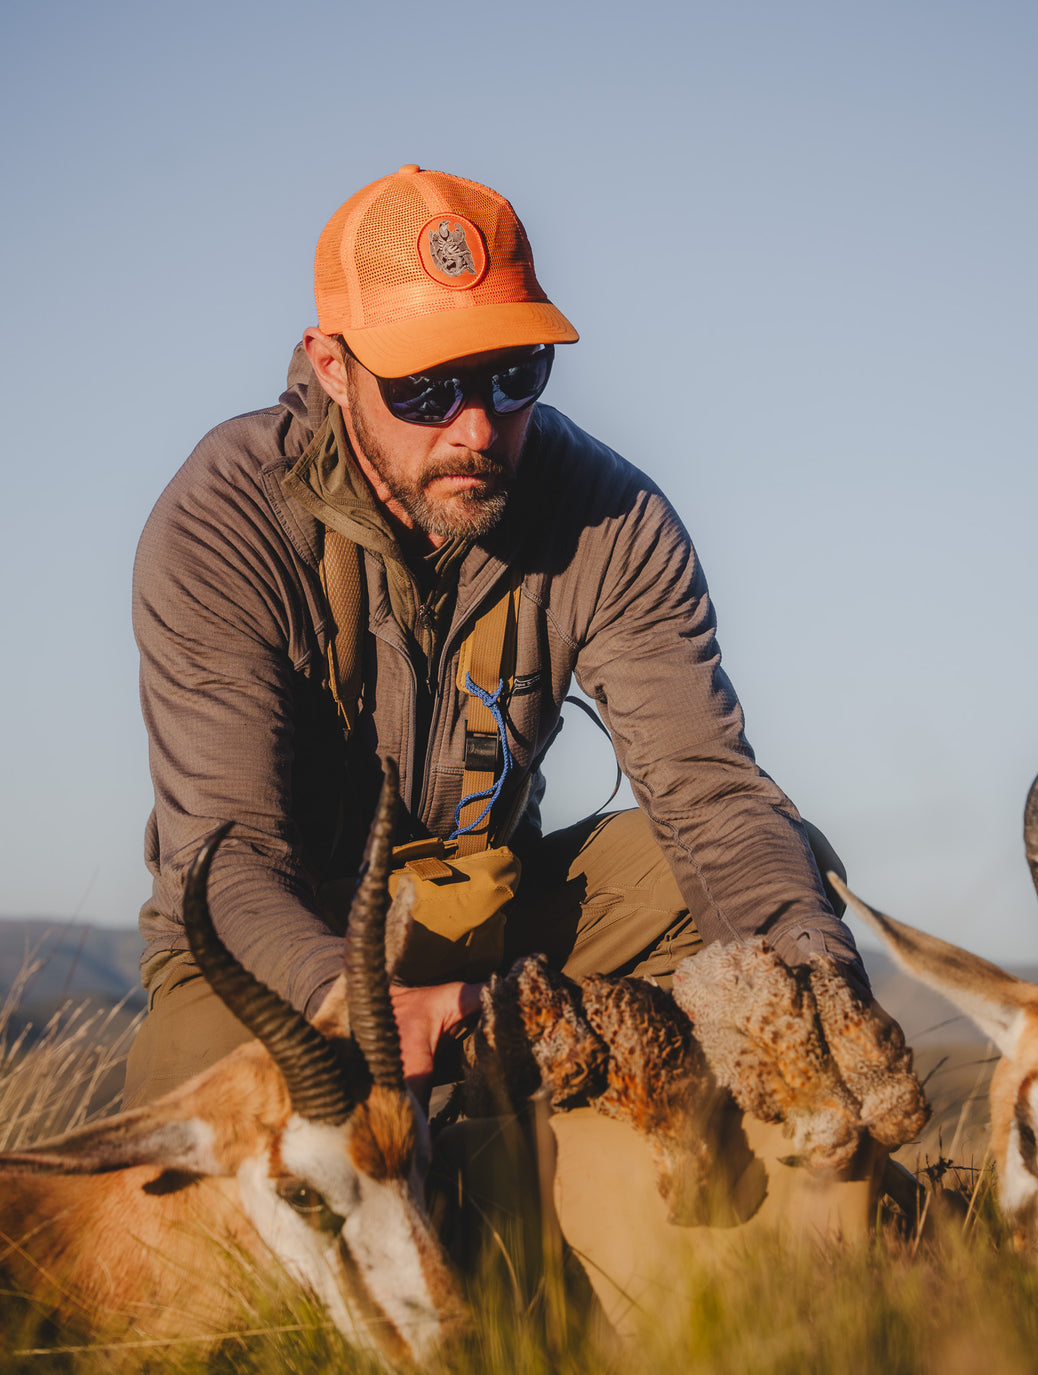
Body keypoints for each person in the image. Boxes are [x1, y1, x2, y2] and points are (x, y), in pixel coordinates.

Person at [123, 165, 868, 1108]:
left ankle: (576, 1124)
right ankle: (479, 1107)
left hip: (494, 916)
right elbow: (229, 863)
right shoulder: (225, 520)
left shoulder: (610, 517)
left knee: (781, 887)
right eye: (426, 388)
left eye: (514, 375)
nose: (477, 427)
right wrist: (361, 1004)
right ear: (332, 366)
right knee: (216, 1083)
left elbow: (708, 796)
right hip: (282, 944)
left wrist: (818, 983)